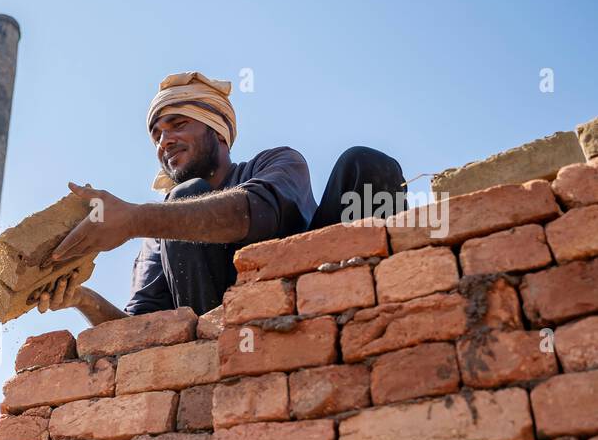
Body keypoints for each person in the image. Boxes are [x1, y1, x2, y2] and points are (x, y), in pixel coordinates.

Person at [37, 71, 407, 323]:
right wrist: (81, 298)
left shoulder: (276, 163)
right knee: (183, 199)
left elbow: (256, 211)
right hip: (225, 347)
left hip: (321, 303)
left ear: (218, 132)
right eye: (156, 135)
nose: (164, 140)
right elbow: (140, 327)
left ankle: (387, 314)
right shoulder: (160, 231)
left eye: (179, 124)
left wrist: (133, 218)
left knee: (365, 165)